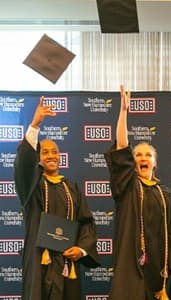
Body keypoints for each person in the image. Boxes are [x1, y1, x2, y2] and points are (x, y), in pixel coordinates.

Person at [14, 97, 100, 300]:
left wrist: (81, 249)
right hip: (39, 261)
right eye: (45, 152)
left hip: (65, 264)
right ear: (38, 157)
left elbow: (86, 223)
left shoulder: (71, 188)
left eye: (55, 152)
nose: (51, 155)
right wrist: (35, 125)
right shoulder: (32, 186)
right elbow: (23, 165)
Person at [104, 85, 171, 300]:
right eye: (137, 154)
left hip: (158, 267)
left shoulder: (164, 194)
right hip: (130, 263)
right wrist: (123, 112)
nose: (142, 158)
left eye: (148, 155)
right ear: (132, 162)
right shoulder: (127, 186)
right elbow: (121, 147)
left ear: (155, 162)